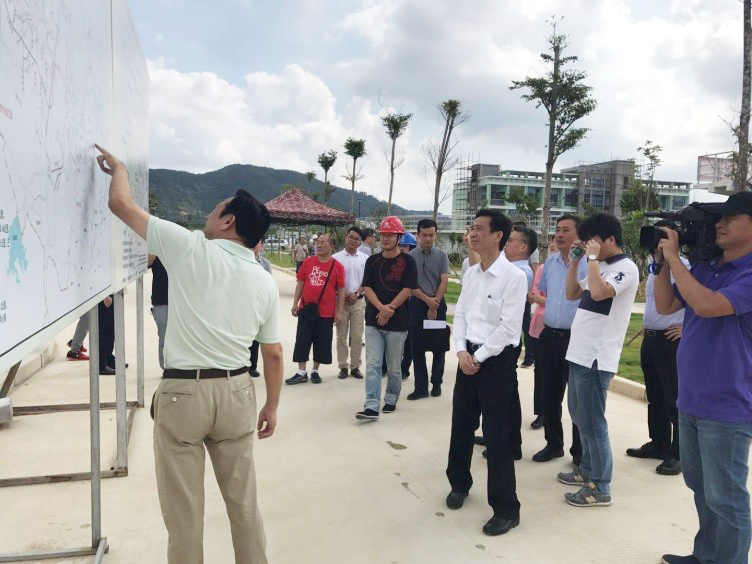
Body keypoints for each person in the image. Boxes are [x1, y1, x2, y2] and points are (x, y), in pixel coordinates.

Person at [95, 144, 283, 564]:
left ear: (229, 221)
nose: (208, 216)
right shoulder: (264, 281)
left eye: (215, 210)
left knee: (185, 517)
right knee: (244, 505)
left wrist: (120, 168)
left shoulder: (189, 246)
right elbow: (272, 353)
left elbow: (120, 204)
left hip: (184, 393)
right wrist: (271, 405)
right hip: (237, 392)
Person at [654, 192, 752, 564]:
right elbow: (665, 305)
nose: (719, 224)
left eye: (730, 217)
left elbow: (709, 306)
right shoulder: (706, 267)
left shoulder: (748, 273)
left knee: (726, 496)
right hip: (692, 398)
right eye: (718, 219)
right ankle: (706, 555)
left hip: (728, 403)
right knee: (701, 487)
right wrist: (662, 265)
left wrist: (676, 261)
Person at [445, 209, 527, 536]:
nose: (473, 233)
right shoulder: (471, 273)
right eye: (472, 228)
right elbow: (461, 315)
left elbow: (508, 328)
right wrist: (461, 351)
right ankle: (459, 483)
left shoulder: (514, 277)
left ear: (498, 236)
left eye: (480, 228)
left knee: (497, 435)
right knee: (461, 425)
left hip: (496, 362)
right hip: (469, 357)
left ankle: (507, 509)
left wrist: (476, 356)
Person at [560, 212, 638, 508]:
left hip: (597, 357)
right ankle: (587, 470)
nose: (589, 246)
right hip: (579, 353)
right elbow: (572, 293)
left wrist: (591, 259)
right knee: (579, 417)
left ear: (610, 239)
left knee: (593, 423)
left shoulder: (626, 267)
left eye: (593, 241)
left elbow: (601, 292)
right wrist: (574, 262)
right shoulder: (600, 265)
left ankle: (601, 486)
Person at [626, 221, 687, 476]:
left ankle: (678, 454)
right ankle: (659, 443)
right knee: (656, 396)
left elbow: (694, 298)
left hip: (671, 340)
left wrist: (687, 327)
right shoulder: (655, 267)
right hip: (651, 339)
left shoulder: (682, 265)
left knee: (674, 397)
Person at [532, 214, 586, 465]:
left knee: (577, 397)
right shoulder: (550, 262)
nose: (559, 235)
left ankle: (579, 452)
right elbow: (545, 293)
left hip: (576, 338)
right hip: (550, 335)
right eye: (558, 229)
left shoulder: (589, 264)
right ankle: (553, 444)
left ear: (580, 235)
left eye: (566, 230)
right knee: (549, 393)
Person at [355, 216, 417, 420]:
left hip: (398, 323)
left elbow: (408, 289)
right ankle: (371, 405)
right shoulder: (373, 260)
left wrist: (389, 309)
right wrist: (381, 308)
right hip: (373, 321)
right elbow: (367, 287)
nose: (386, 238)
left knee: (394, 367)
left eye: (390, 235)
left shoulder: (408, 261)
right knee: (373, 365)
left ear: (399, 237)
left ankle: (391, 398)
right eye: (383, 235)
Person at [287, 233, 345, 384]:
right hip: (306, 308)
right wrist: (295, 303)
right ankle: (301, 372)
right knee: (302, 339)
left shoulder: (337, 266)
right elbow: (300, 283)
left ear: (331, 247)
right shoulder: (308, 262)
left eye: (323, 242)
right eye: (318, 242)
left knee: (321, 342)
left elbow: (341, 290)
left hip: (326, 312)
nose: (319, 245)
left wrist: (339, 312)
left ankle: (315, 371)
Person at [408, 219, 450, 400]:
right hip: (417, 305)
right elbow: (410, 285)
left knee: (439, 347)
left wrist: (435, 304)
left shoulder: (442, 255)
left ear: (436, 235)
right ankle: (421, 388)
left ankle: (437, 383)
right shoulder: (410, 257)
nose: (428, 238)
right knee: (417, 348)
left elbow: (444, 281)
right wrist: (427, 301)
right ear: (418, 235)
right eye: (424, 235)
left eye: (431, 235)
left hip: (438, 304)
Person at [527, 237, 557, 429]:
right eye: (552, 245)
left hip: (563, 330)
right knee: (541, 372)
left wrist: (550, 301)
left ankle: (553, 412)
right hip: (540, 326)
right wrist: (558, 303)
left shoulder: (576, 268)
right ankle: (541, 412)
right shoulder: (543, 269)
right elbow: (534, 296)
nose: (553, 247)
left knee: (558, 375)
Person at [332, 226, 368, 380]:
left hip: (358, 301)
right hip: (340, 303)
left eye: (356, 239)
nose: (353, 240)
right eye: (351, 237)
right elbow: (332, 281)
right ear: (346, 237)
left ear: (360, 242)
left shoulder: (365, 259)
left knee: (357, 336)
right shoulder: (335, 258)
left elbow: (367, 281)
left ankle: (355, 366)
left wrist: (356, 293)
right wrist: (343, 294)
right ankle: (343, 366)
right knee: (341, 336)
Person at [249, 237, 274, 377]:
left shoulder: (265, 264)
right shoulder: (241, 260)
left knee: (255, 339)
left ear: (262, 245)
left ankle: (252, 366)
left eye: (258, 242)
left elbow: (270, 284)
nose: (254, 245)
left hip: (258, 306)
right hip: (244, 304)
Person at [398, 232, 418, 379]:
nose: (401, 248)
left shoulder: (414, 263)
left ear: (411, 248)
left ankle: (404, 368)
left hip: (412, 303)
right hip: (397, 304)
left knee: (409, 339)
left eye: (404, 246)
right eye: (399, 245)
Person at [148, 255, 169, 369]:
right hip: (160, 303)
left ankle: (176, 367)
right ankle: (165, 367)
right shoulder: (156, 255)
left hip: (179, 302)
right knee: (164, 337)